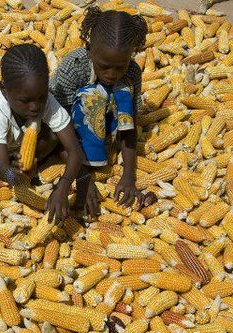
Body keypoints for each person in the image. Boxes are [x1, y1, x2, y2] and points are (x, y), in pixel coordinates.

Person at [0, 43, 85, 222]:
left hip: (17, 145)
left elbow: (75, 149)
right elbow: (3, 169)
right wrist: (16, 178)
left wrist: (64, 185)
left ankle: (31, 165)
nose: (35, 106)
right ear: (5, 91)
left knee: (59, 131)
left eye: (41, 96)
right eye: (25, 101)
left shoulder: (46, 101)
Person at [50, 6, 156, 211]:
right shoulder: (75, 65)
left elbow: (130, 125)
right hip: (67, 126)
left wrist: (128, 177)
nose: (111, 74)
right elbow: (59, 125)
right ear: (90, 50)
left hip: (108, 122)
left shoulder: (132, 72)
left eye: (120, 66)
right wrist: (83, 178)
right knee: (94, 95)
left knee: (122, 90)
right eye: (104, 66)